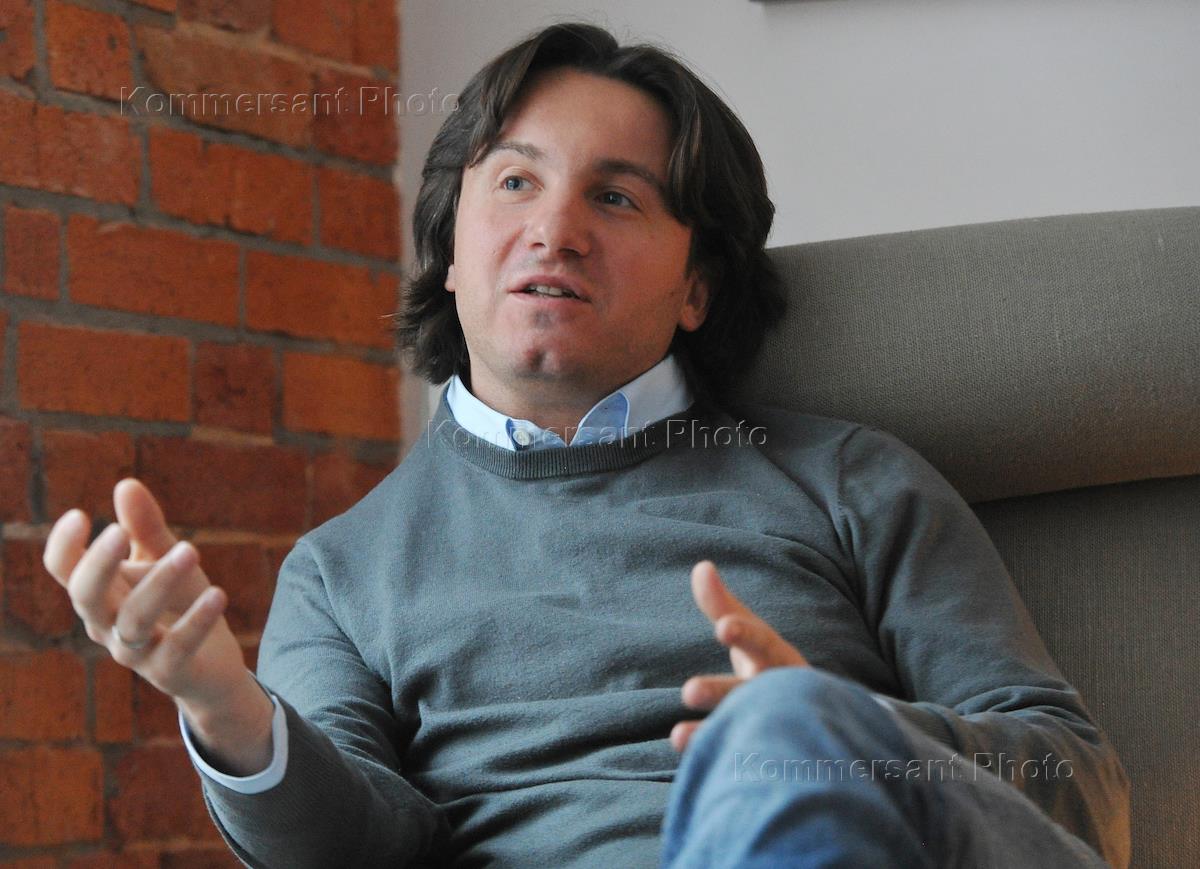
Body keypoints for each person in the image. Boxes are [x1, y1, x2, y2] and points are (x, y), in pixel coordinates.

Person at [43, 22, 1130, 868]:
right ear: (450, 250)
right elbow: (363, 852)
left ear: (699, 285)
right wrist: (221, 703)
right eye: (515, 180)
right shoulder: (341, 571)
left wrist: (847, 737)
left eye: (614, 196)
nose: (555, 230)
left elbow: (1081, 790)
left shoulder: (852, 480)